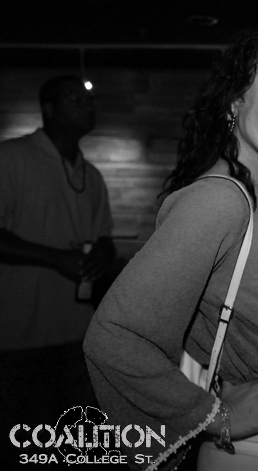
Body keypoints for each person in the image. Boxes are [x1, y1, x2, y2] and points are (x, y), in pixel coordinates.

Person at [83, 29, 258, 470]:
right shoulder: (220, 200)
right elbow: (114, 336)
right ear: (235, 102)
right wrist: (217, 417)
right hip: (256, 455)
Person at [0, 75, 115, 465]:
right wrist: (54, 258)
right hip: (15, 337)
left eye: (89, 100)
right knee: (23, 447)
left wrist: (103, 253)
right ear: (48, 109)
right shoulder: (11, 158)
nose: (87, 106)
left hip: (77, 335)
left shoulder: (90, 175)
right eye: (74, 100)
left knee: (77, 449)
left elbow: (103, 236)